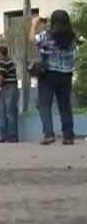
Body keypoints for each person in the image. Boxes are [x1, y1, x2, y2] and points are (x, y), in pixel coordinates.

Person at [30, 10, 80, 145]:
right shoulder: (73, 37)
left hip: (49, 74)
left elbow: (32, 39)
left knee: (44, 104)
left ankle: (49, 134)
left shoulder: (47, 35)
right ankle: (68, 136)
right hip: (66, 75)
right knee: (65, 106)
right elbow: (77, 54)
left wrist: (34, 25)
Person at [0, 46, 19, 143]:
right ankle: (5, 136)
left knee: (9, 113)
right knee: (2, 113)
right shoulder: (6, 62)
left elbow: (1, 77)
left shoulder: (4, 62)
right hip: (5, 89)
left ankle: (12, 136)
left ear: (0, 53)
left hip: (9, 88)